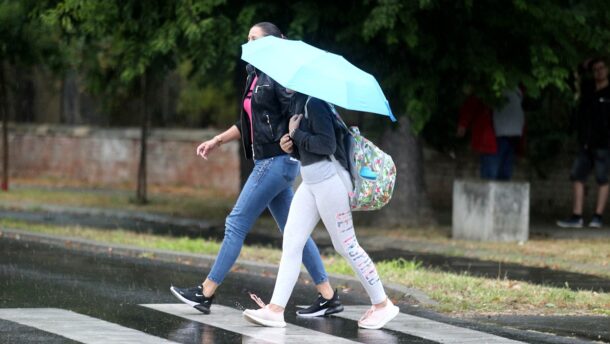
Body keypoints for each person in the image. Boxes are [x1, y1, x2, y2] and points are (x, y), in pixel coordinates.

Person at [170, 22, 342, 316]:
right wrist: (218, 140)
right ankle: (327, 296)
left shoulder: (279, 77)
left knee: (236, 222)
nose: (249, 43)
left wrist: (293, 138)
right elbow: (246, 122)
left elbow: (296, 112)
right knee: (294, 232)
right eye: (247, 38)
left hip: (276, 161)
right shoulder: (254, 75)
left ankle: (206, 291)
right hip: (273, 162)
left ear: (274, 43)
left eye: (255, 38)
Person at [242, 93, 399, 330]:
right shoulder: (297, 104)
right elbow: (308, 150)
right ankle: (275, 310)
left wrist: (297, 134)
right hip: (311, 182)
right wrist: (291, 146)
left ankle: (382, 303)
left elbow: (327, 145)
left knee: (346, 245)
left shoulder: (316, 103)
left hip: (331, 182)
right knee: (292, 242)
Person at [558, 57, 610, 228]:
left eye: (602, 68)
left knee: (602, 178)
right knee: (577, 176)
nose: (599, 72)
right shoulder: (589, 90)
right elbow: (576, 75)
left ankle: (597, 216)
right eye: (596, 69)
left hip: (604, 144)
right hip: (586, 142)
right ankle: (577, 215)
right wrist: (585, 63)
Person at [457, 87, 525, 180]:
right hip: (497, 136)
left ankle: (499, 193)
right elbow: (472, 104)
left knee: (502, 174)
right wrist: (463, 124)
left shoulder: (516, 89)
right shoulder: (493, 88)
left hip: (510, 136)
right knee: (492, 174)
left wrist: (463, 124)